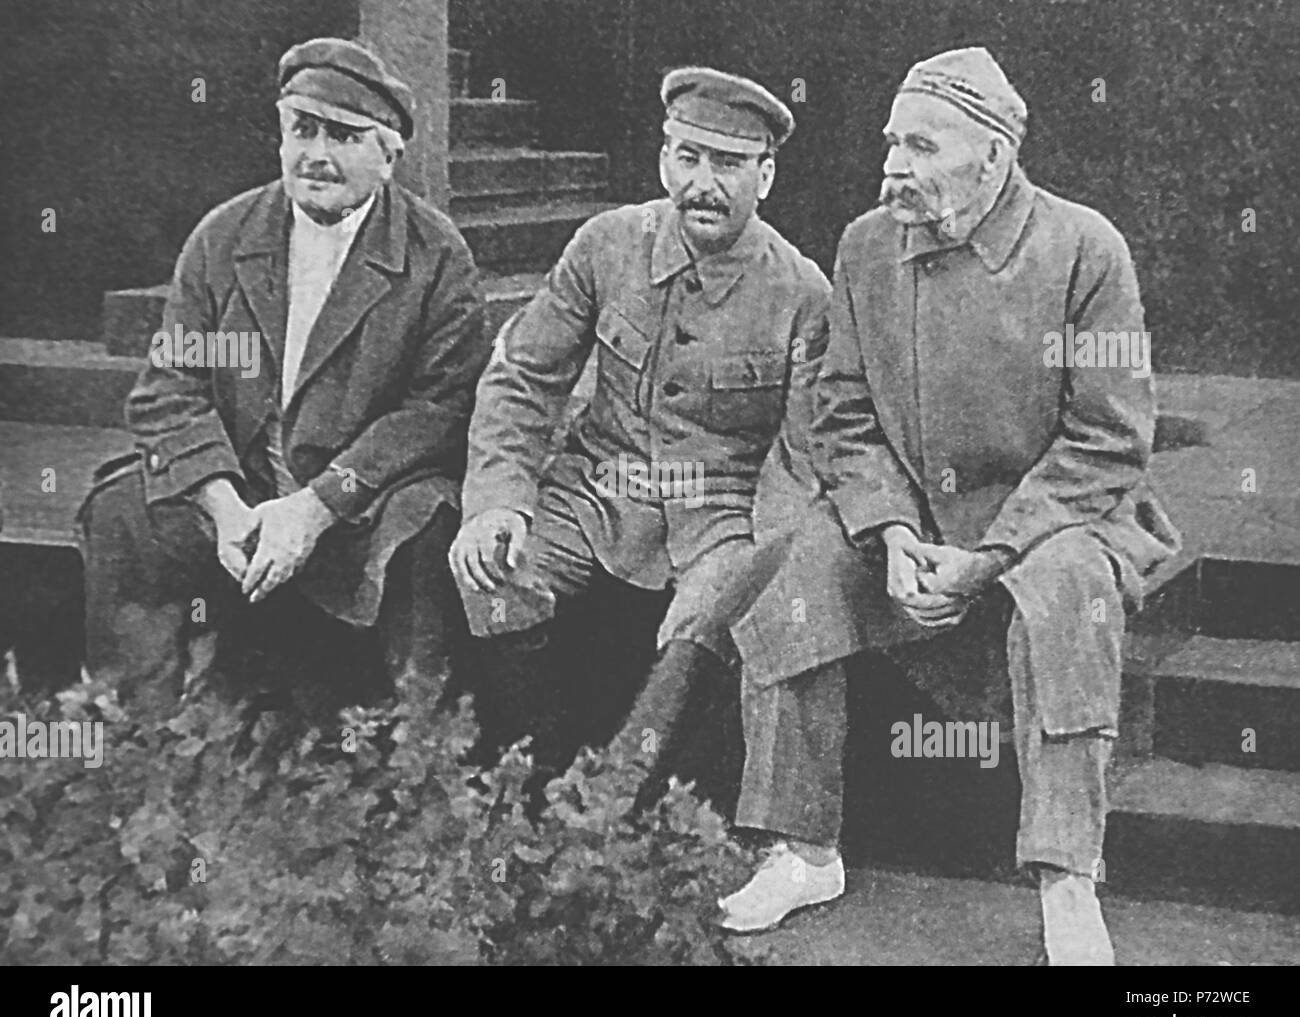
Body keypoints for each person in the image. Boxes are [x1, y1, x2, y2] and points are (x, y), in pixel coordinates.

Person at [718, 47, 1180, 965]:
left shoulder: (1087, 249)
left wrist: (993, 554)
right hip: (910, 515)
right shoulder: (864, 246)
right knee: (796, 568)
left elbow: (1110, 436)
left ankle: (1067, 875)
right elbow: (841, 411)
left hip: (1058, 515)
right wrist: (887, 532)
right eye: (892, 143)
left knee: (1071, 592)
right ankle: (800, 847)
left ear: (995, 157)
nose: (892, 167)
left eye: (921, 147)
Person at [80, 37, 487, 719]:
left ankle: (415, 760)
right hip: (240, 492)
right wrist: (223, 503)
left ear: (389, 157)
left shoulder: (436, 254)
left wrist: (318, 505)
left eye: (345, 136)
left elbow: (438, 412)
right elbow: (169, 388)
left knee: (426, 523)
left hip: (359, 506)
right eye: (303, 129)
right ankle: (137, 746)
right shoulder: (225, 236)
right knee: (123, 509)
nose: (317, 154)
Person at [450, 67, 830, 791]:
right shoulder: (607, 245)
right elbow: (523, 376)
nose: (703, 184)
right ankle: (534, 775)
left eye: (728, 163)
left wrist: (757, 558)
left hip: (718, 512)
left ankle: (613, 808)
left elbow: (800, 456)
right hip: (592, 490)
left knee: (710, 617)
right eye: (688, 157)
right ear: (664, 161)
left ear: (766, 175)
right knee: (492, 572)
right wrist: (499, 497)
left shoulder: (802, 293)